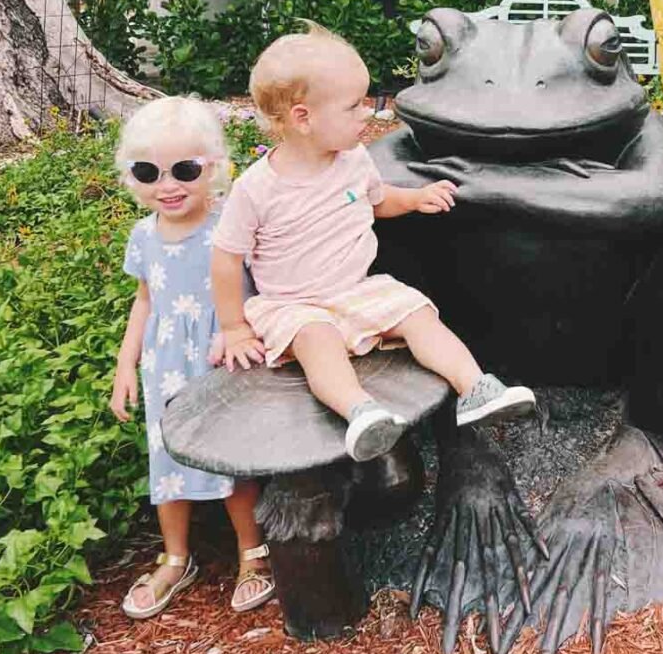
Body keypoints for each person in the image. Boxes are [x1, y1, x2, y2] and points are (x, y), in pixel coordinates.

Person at [210, 24, 536, 461]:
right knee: (318, 341)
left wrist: (417, 198)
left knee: (418, 312)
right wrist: (233, 327)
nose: (368, 114)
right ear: (303, 118)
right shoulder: (257, 188)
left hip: (356, 290)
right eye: (353, 107)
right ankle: (360, 412)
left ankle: (475, 386)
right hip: (293, 304)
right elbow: (226, 257)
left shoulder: (354, 160)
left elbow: (377, 201)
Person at [111, 97, 275, 620]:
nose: (168, 185)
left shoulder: (228, 224)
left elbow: (264, 280)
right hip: (164, 365)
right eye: (148, 172)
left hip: (221, 357)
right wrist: (124, 367)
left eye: (185, 169)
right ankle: (176, 557)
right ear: (131, 177)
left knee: (231, 455)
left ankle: (253, 551)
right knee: (168, 459)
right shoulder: (144, 235)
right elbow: (144, 301)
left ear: (213, 168)